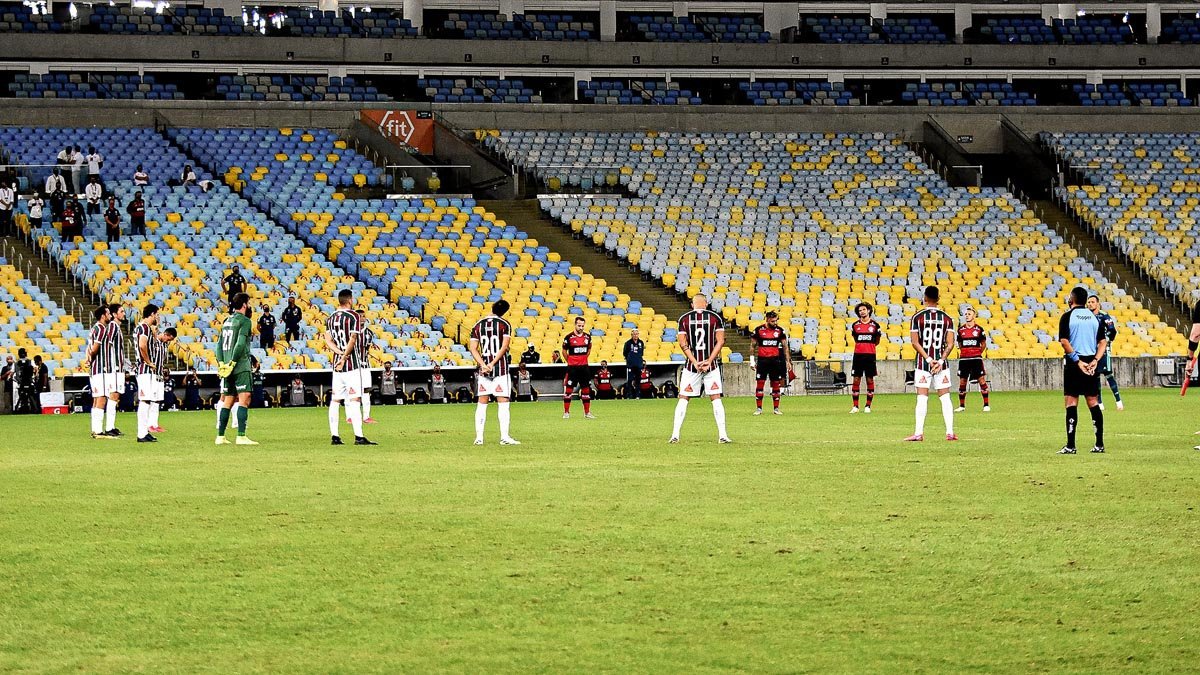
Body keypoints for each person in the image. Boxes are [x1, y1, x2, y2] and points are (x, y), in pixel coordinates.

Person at [670, 294, 730, 443]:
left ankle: (675, 435)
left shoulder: (684, 319)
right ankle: (722, 435)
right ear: (706, 303)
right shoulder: (715, 318)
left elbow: (683, 344)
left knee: (683, 398)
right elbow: (720, 341)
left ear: (692, 305)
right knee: (715, 398)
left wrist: (695, 362)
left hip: (692, 366)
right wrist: (709, 360)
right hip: (712, 366)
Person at [1059, 287, 1107, 454]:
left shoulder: (1067, 316)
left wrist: (1077, 361)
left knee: (1071, 402)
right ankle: (1099, 444)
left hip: (1075, 363)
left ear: (1072, 299)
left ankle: (1071, 445)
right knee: (1093, 402)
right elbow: (1103, 343)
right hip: (1091, 363)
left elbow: (1064, 341)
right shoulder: (1094, 318)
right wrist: (1095, 360)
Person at [905, 286, 957, 442]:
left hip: (923, 363)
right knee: (945, 397)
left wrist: (928, 359)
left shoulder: (917, 317)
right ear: (938, 298)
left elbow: (915, 342)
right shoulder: (947, 318)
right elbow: (950, 343)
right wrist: (940, 360)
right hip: (942, 364)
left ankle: (918, 433)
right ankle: (950, 432)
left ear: (924, 298)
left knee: (922, 398)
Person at [324, 288, 375, 446]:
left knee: (335, 400)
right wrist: (345, 356)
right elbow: (352, 340)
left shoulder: (330, 318)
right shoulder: (353, 316)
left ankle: (335, 436)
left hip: (336, 366)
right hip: (352, 364)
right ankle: (359, 436)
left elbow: (328, 340)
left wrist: (339, 355)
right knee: (355, 399)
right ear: (350, 300)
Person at [468, 299, 519, 445]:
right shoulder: (505, 324)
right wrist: (492, 363)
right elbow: (504, 347)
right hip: (500, 369)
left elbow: (473, 348)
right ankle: (504, 437)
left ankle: (479, 438)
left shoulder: (477, 325)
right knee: (503, 402)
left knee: (482, 403)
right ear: (504, 312)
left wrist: (483, 364)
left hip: (484, 371)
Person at [214, 292, 258, 445]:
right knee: (244, 399)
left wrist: (222, 363)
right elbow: (240, 344)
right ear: (245, 304)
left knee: (228, 401)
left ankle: (220, 436)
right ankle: (241, 436)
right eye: (249, 302)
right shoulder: (245, 321)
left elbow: (218, 345)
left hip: (226, 367)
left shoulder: (227, 321)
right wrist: (233, 362)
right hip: (240, 365)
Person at [133, 304, 173, 442]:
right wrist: (149, 362)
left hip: (146, 370)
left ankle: (144, 432)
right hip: (145, 369)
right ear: (152, 314)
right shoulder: (144, 327)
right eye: (157, 314)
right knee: (144, 401)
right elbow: (142, 345)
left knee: (147, 400)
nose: (158, 317)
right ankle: (141, 434)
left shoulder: (145, 328)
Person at [86, 304, 125, 439]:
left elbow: (89, 347)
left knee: (97, 398)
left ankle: (96, 429)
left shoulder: (94, 328)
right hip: (102, 368)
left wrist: (89, 358)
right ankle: (99, 430)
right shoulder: (102, 329)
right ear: (103, 315)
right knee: (102, 398)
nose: (110, 316)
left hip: (97, 368)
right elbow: (95, 348)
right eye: (108, 313)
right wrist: (91, 356)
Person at [751, 310, 791, 415]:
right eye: (773, 321)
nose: (775, 323)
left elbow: (785, 347)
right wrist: (751, 360)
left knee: (776, 384)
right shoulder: (759, 330)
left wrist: (788, 361)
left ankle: (776, 409)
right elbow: (752, 346)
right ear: (767, 320)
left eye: (776, 321)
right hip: (762, 361)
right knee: (760, 384)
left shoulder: (780, 331)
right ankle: (759, 408)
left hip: (775, 361)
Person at [1086, 294, 1123, 411]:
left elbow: (1112, 331)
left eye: (1092, 302)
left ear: (1098, 303)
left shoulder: (1104, 316)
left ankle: (1118, 401)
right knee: (1095, 376)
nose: (1090, 304)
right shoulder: (1087, 317)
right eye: (1089, 302)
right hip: (1092, 350)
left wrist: (1105, 341)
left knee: (1108, 374)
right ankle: (1100, 403)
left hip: (1104, 350)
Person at [955, 307, 991, 412]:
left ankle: (986, 405)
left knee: (981, 380)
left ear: (974, 316)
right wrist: (965, 353)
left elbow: (983, 344)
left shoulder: (979, 329)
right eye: (966, 314)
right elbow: (960, 344)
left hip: (976, 359)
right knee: (962, 381)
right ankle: (961, 406)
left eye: (969, 314)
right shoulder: (961, 330)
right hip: (964, 360)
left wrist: (977, 353)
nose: (967, 316)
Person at [849, 302, 882, 414]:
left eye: (864, 309)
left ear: (868, 310)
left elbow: (877, 341)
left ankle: (868, 406)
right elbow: (855, 339)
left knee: (869, 379)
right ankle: (855, 406)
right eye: (860, 310)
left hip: (870, 356)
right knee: (856, 379)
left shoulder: (875, 326)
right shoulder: (855, 325)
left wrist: (869, 347)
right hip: (858, 356)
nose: (862, 312)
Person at [561, 316, 595, 419]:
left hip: (584, 368)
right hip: (573, 368)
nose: (581, 327)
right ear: (575, 325)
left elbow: (589, 350)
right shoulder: (568, 337)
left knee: (586, 390)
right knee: (569, 391)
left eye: (582, 326)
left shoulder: (588, 337)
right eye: (579, 325)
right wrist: (570, 361)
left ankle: (587, 413)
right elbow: (564, 351)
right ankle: (566, 412)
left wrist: (583, 359)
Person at [353, 309, 378, 424]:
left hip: (365, 365)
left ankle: (366, 416)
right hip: (353, 365)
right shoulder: (350, 332)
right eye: (360, 316)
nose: (362, 318)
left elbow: (366, 349)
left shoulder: (369, 333)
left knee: (366, 389)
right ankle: (351, 416)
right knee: (353, 390)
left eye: (363, 316)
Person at [622, 328, 645, 398]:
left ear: (638, 335)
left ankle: (637, 395)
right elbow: (625, 353)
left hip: (638, 365)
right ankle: (630, 395)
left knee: (638, 380)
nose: (635, 335)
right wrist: (629, 359)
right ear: (631, 335)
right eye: (634, 334)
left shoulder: (641, 342)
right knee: (629, 381)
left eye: (636, 334)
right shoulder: (628, 343)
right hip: (630, 365)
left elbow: (641, 353)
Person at [12, 348, 34, 413]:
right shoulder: (16, 363)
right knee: (22, 397)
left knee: (29, 396)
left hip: (28, 382)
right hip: (21, 383)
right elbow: (13, 372)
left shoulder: (30, 362)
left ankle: (30, 407)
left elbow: (34, 369)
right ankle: (22, 407)